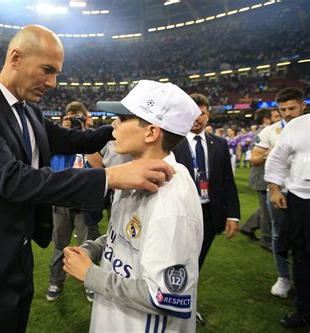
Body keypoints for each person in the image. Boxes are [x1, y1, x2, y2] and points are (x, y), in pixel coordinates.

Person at [0, 25, 174, 333]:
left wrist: (127, 125)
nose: (53, 83)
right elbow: (14, 180)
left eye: (56, 72)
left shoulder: (28, 111)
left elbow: (76, 140)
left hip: (17, 256)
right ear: (16, 58)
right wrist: (110, 177)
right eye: (47, 70)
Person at [63, 80, 203, 333]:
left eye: (122, 118)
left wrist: (90, 275)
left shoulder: (172, 198)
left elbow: (166, 297)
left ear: (151, 132)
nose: (113, 124)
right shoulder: (136, 173)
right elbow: (127, 235)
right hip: (116, 316)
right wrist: (93, 248)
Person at [173, 93, 240, 324]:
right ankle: (169, 300)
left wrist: (233, 215)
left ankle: (188, 305)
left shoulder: (219, 143)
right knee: (175, 259)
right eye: (192, 112)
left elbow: (228, 183)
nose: (197, 118)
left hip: (209, 214)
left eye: (201, 112)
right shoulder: (172, 142)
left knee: (196, 262)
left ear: (208, 114)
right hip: (180, 213)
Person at [252, 87, 305, 299]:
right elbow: (254, 159)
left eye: (292, 108)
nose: (288, 113)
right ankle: (283, 277)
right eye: (283, 109)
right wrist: (269, 154)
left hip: (304, 191)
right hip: (279, 191)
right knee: (278, 234)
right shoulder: (270, 131)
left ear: (303, 106)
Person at [46, 102, 102, 302]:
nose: (75, 122)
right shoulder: (58, 139)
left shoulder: (94, 139)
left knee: (88, 245)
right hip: (61, 200)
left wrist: (85, 137)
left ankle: (91, 283)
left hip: (85, 201)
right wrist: (63, 132)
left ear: (86, 118)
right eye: (72, 118)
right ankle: (55, 281)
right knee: (60, 244)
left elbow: (99, 165)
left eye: (79, 118)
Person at [265, 113, 310, 328]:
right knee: (302, 256)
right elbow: (277, 159)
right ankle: (303, 308)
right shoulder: (298, 125)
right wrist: (274, 189)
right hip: (302, 200)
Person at [240, 108, 281, 250]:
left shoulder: (274, 130)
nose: (280, 117)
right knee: (266, 210)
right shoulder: (265, 132)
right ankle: (266, 239)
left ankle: (248, 226)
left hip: (266, 174)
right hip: (262, 175)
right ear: (266, 119)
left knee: (265, 207)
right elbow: (255, 156)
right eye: (276, 115)